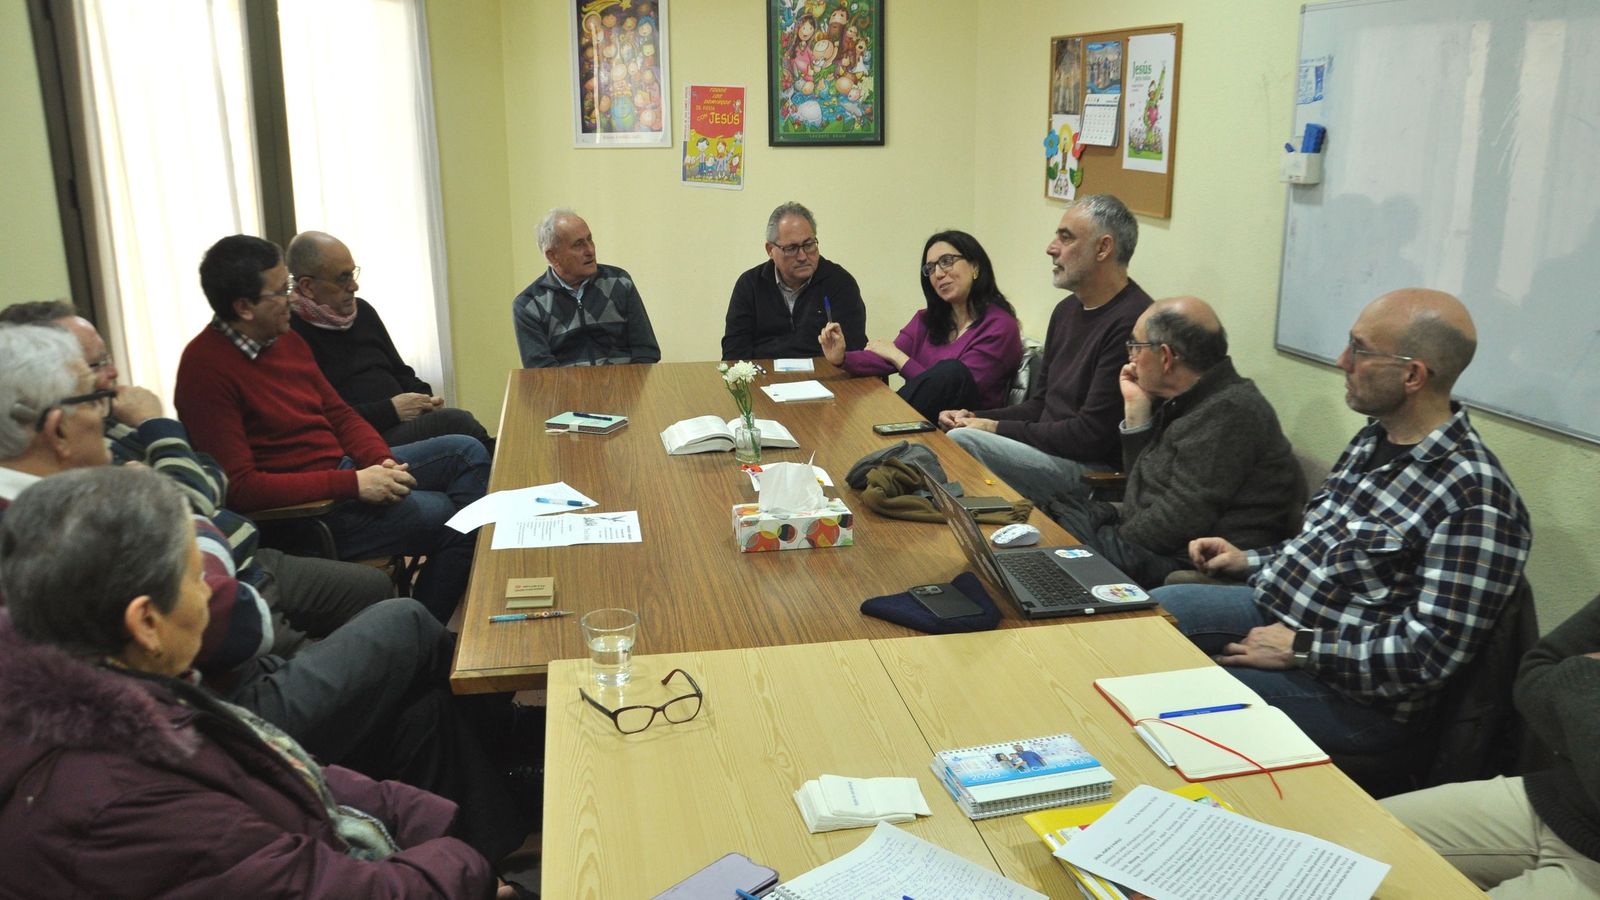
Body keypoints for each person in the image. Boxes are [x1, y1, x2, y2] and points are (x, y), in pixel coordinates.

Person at [0, 325, 534, 868]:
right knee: (410, 620)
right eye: (94, 388)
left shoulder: (106, 455)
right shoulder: (50, 523)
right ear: (57, 429)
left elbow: (207, 480)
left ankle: (491, 846)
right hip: (221, 700)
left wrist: (189, 514)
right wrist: (195, 518)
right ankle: (506, 746)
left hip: (240, 626)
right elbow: (236, 615)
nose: (110, 389)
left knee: (420, 708)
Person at [0, 467, 513, 897]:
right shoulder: (124, 804)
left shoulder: (115, 686)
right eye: (196, 577)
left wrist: (440, 832)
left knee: (420, 719)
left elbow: (279, 763)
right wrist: (464, 866)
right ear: (146, 624)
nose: (212, 592)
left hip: (317, 844)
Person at [1151, 289, 1532, 754]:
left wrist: (1302, 648)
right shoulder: (1376, 438)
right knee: (1145, 616)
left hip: (1357, 698)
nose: (1341, 361)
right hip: (1279, 611)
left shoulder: (1476, 500)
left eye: (1360, 350)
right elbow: (1329, 548)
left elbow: (1426, 656)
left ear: (1412, 375)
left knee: (1189, 702)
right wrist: (1247, 559)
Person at [0, 302, 392, 653]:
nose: (114, 372)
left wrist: (170, 487)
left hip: (247, 554)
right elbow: (196, 504)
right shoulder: (87, 456)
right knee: (398, 631)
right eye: (94, 367)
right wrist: (158, 432)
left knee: (378, 595)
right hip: (218, 589)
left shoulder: (113, 426)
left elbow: (210, 473)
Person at [174, 235, 489, 624]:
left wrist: (381, 462)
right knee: (455, 519)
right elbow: (240, 488)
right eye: (280, 291)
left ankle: (420, 625)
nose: (291, 299)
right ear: (244, 307)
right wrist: (354, 484)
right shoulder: (204, 371)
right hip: (310, 515)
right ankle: (419, 633)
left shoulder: (284, 339)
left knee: (466, 451)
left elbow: (340, 415)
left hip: (347, 475)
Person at [1043, 297, 1300, 587]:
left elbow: (1181, 517)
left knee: (1061, 545)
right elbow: (1144, 480)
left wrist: (1115, 538)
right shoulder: (1189, 398)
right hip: (1155, 539)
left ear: (1165, 357)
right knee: (1053, 519)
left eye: (1135, 347)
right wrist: (1136, 411)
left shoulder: (1230, 411)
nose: (1130, 359)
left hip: (1192, 560)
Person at [939, 194, 1151, 509]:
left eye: (1065, 238)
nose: (1051, 248)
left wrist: (994, 428)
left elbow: (1091, 435)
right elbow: (1041, 405)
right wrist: (974, 417)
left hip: (1092, 472)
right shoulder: (1065, 311)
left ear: (1103, 248)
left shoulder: (1133, 322)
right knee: (958, 432)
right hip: (1047, 451)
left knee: (962, 443)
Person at [1382, 593, 1600, 896]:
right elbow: (1535, 670)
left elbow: (1566, 673)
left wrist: (1582, 674)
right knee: (1333, 840)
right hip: (1554, 801)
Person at [285, 231, 493, 451]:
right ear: (307, 286)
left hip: (401, 422)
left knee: (462, 432)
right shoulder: (290, 334)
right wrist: (391, 410)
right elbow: (322, 419)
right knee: (459, 427)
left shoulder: (362, 311)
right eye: (342, 278)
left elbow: (400, 371)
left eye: (353, 274)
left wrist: (425, 398)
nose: (354, 287)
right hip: (360, 440)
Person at [820, 229, 1022, 422]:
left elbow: (953, 390)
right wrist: (842, 357)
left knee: (953, 371)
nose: (939, 274)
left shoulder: (1000, 327)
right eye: (931, 268)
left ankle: (878, 425)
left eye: (947, 261)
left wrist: (898, 356)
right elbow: (884, 359)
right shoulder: (926, 319)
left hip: (963, 429)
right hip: (921, 421)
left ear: (975, 266)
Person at [512, 208, 660, 367]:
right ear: (552, 256)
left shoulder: (619, 282)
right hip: (567, 390)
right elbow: (541, 372)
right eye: (578, 245)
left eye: (590, 239)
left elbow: (647, 351)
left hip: (625, 385)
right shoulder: (529, 305)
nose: (590, 250)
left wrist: (630, 388)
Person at [721, 201, 866, 360]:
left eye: (809, 245)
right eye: (791, 248)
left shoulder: (840, 282)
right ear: (770, 250)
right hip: (765, 378)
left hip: (827, 379)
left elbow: (853, 349)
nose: (803, 256)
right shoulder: (750, 285)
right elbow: (734, 353)